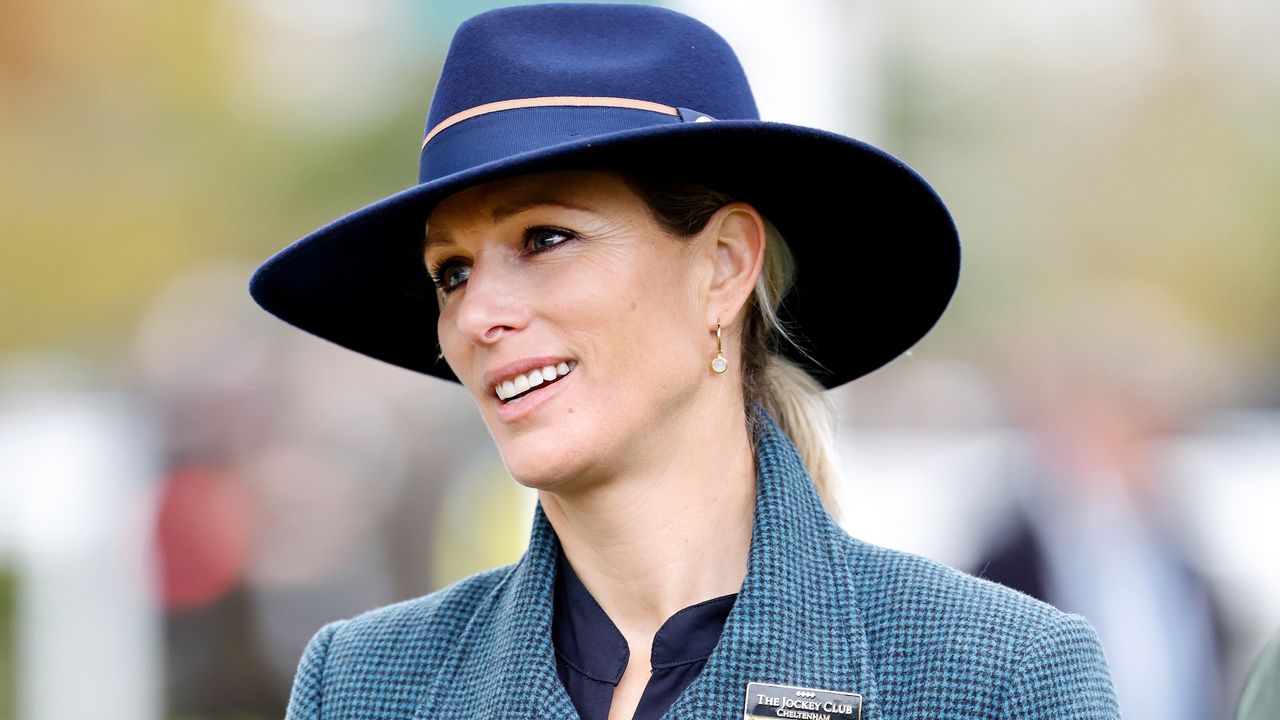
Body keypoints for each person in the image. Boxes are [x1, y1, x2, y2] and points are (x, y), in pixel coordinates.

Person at [249, 4, 1119, 719]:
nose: (477, 313)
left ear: (723, 267)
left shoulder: (997, 679)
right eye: (451, 271)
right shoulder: (362, 686)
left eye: (545, 237)